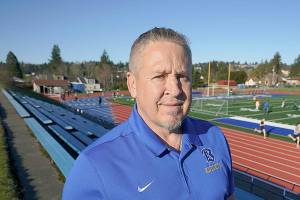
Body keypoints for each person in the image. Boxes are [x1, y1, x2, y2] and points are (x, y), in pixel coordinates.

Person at [63, 27, 235, 199]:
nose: (175, 90)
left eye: (183, 76)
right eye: (160, 76)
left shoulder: (214, 137)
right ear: (132, 85)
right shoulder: (93, 167)